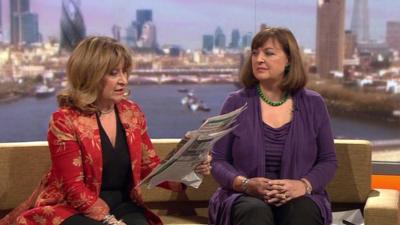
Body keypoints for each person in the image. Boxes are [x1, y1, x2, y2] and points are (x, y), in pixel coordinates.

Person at [0, 36, 211, 225]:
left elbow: (149, 168)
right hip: (69, 208)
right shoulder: (64, 120)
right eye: (113, 73)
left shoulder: (132, 113)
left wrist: (188, 172)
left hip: (123, 204)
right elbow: (73, 189)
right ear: (90, 75)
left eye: (124, 71)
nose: (124, 80)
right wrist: (109, 221)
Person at [209, 27, 337, 225]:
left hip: (299, 197)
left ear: (289, 60)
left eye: (268, 53)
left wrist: (303, 185)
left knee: (301, 211)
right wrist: (245, 184)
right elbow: (217, 161)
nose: (259, 59)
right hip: (243, 197)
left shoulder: (314, 103)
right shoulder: (235, 102)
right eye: (255, 53)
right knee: (254, 211)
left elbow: (328, 161)